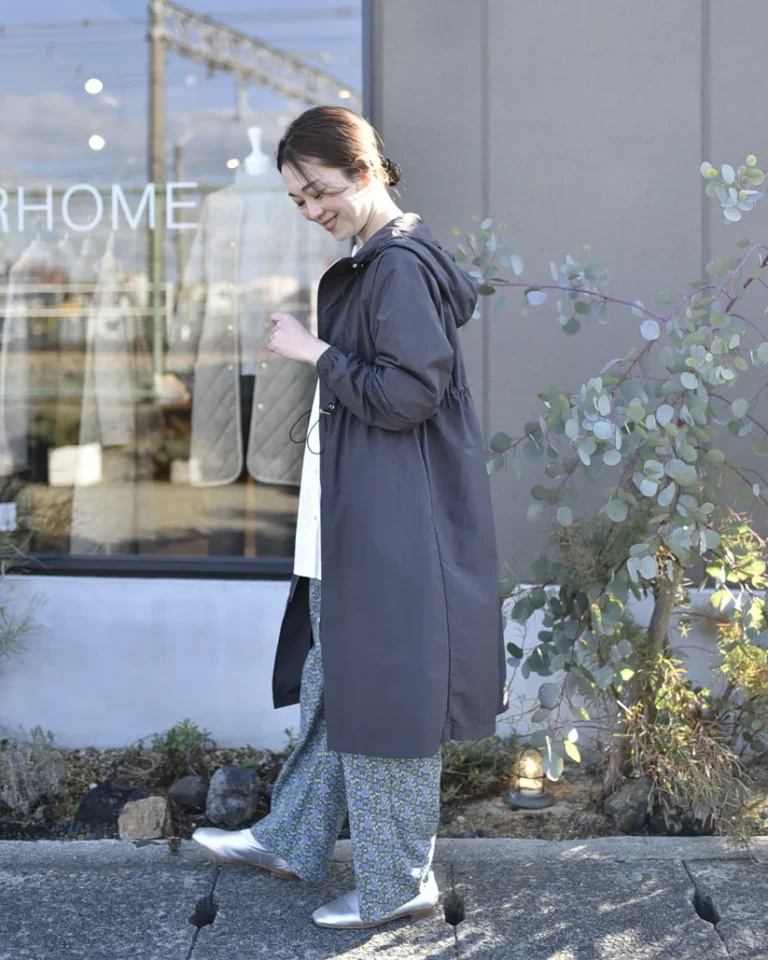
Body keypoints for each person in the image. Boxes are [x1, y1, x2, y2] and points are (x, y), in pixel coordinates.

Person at [193, 105, 508, 931]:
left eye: (320, 191)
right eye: (298, 199)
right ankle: (292, 837)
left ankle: (399, 884)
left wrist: (314, 352)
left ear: (365, 171)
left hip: (395, 526)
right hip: (364, 515)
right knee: (335, 682)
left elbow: (408, 394)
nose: (312, 210)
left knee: (388, 700)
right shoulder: (376, 261)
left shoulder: (396, 266)